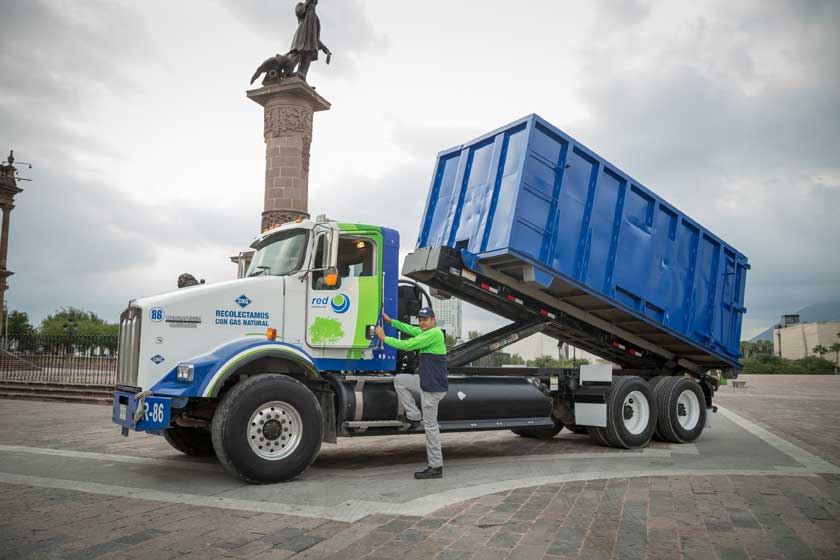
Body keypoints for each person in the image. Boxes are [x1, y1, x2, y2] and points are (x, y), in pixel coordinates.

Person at [375, 307, 449, 479]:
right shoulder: (426, 331)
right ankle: (414, 416)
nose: (422, 322)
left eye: (426, 319)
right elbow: (410, 329)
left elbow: (409, 344)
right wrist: (391, 321)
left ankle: (436, 467)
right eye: (420, 319)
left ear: (433, 320)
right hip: (425, 382)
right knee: (400, 380)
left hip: (432, 389)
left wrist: (384, 338)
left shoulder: (435, 334)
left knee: (431, 428)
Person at [288, 0, 331, 80]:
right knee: (293, 59)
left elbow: (315, 38)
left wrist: (326, 50)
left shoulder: (315, 18)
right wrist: (308, 4)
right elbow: (299, 12)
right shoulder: (300, 6)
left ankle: (302, 78)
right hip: (300, 40)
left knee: (306, 63)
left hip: (310, 46)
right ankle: (287, 74)